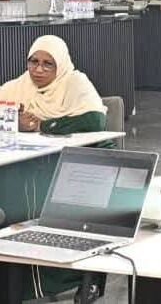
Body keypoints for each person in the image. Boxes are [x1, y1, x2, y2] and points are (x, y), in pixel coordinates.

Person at [0, 35, 109, 302]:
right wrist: (14, 120)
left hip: (66, 170)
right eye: (33, 62)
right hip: (24, 164)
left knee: (24, 208)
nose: (38, 70)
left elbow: (95, 120)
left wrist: (43, 125)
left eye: (48, 64)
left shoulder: (75, 83)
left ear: (61, 65)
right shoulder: (18, 86)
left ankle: (40, 284)